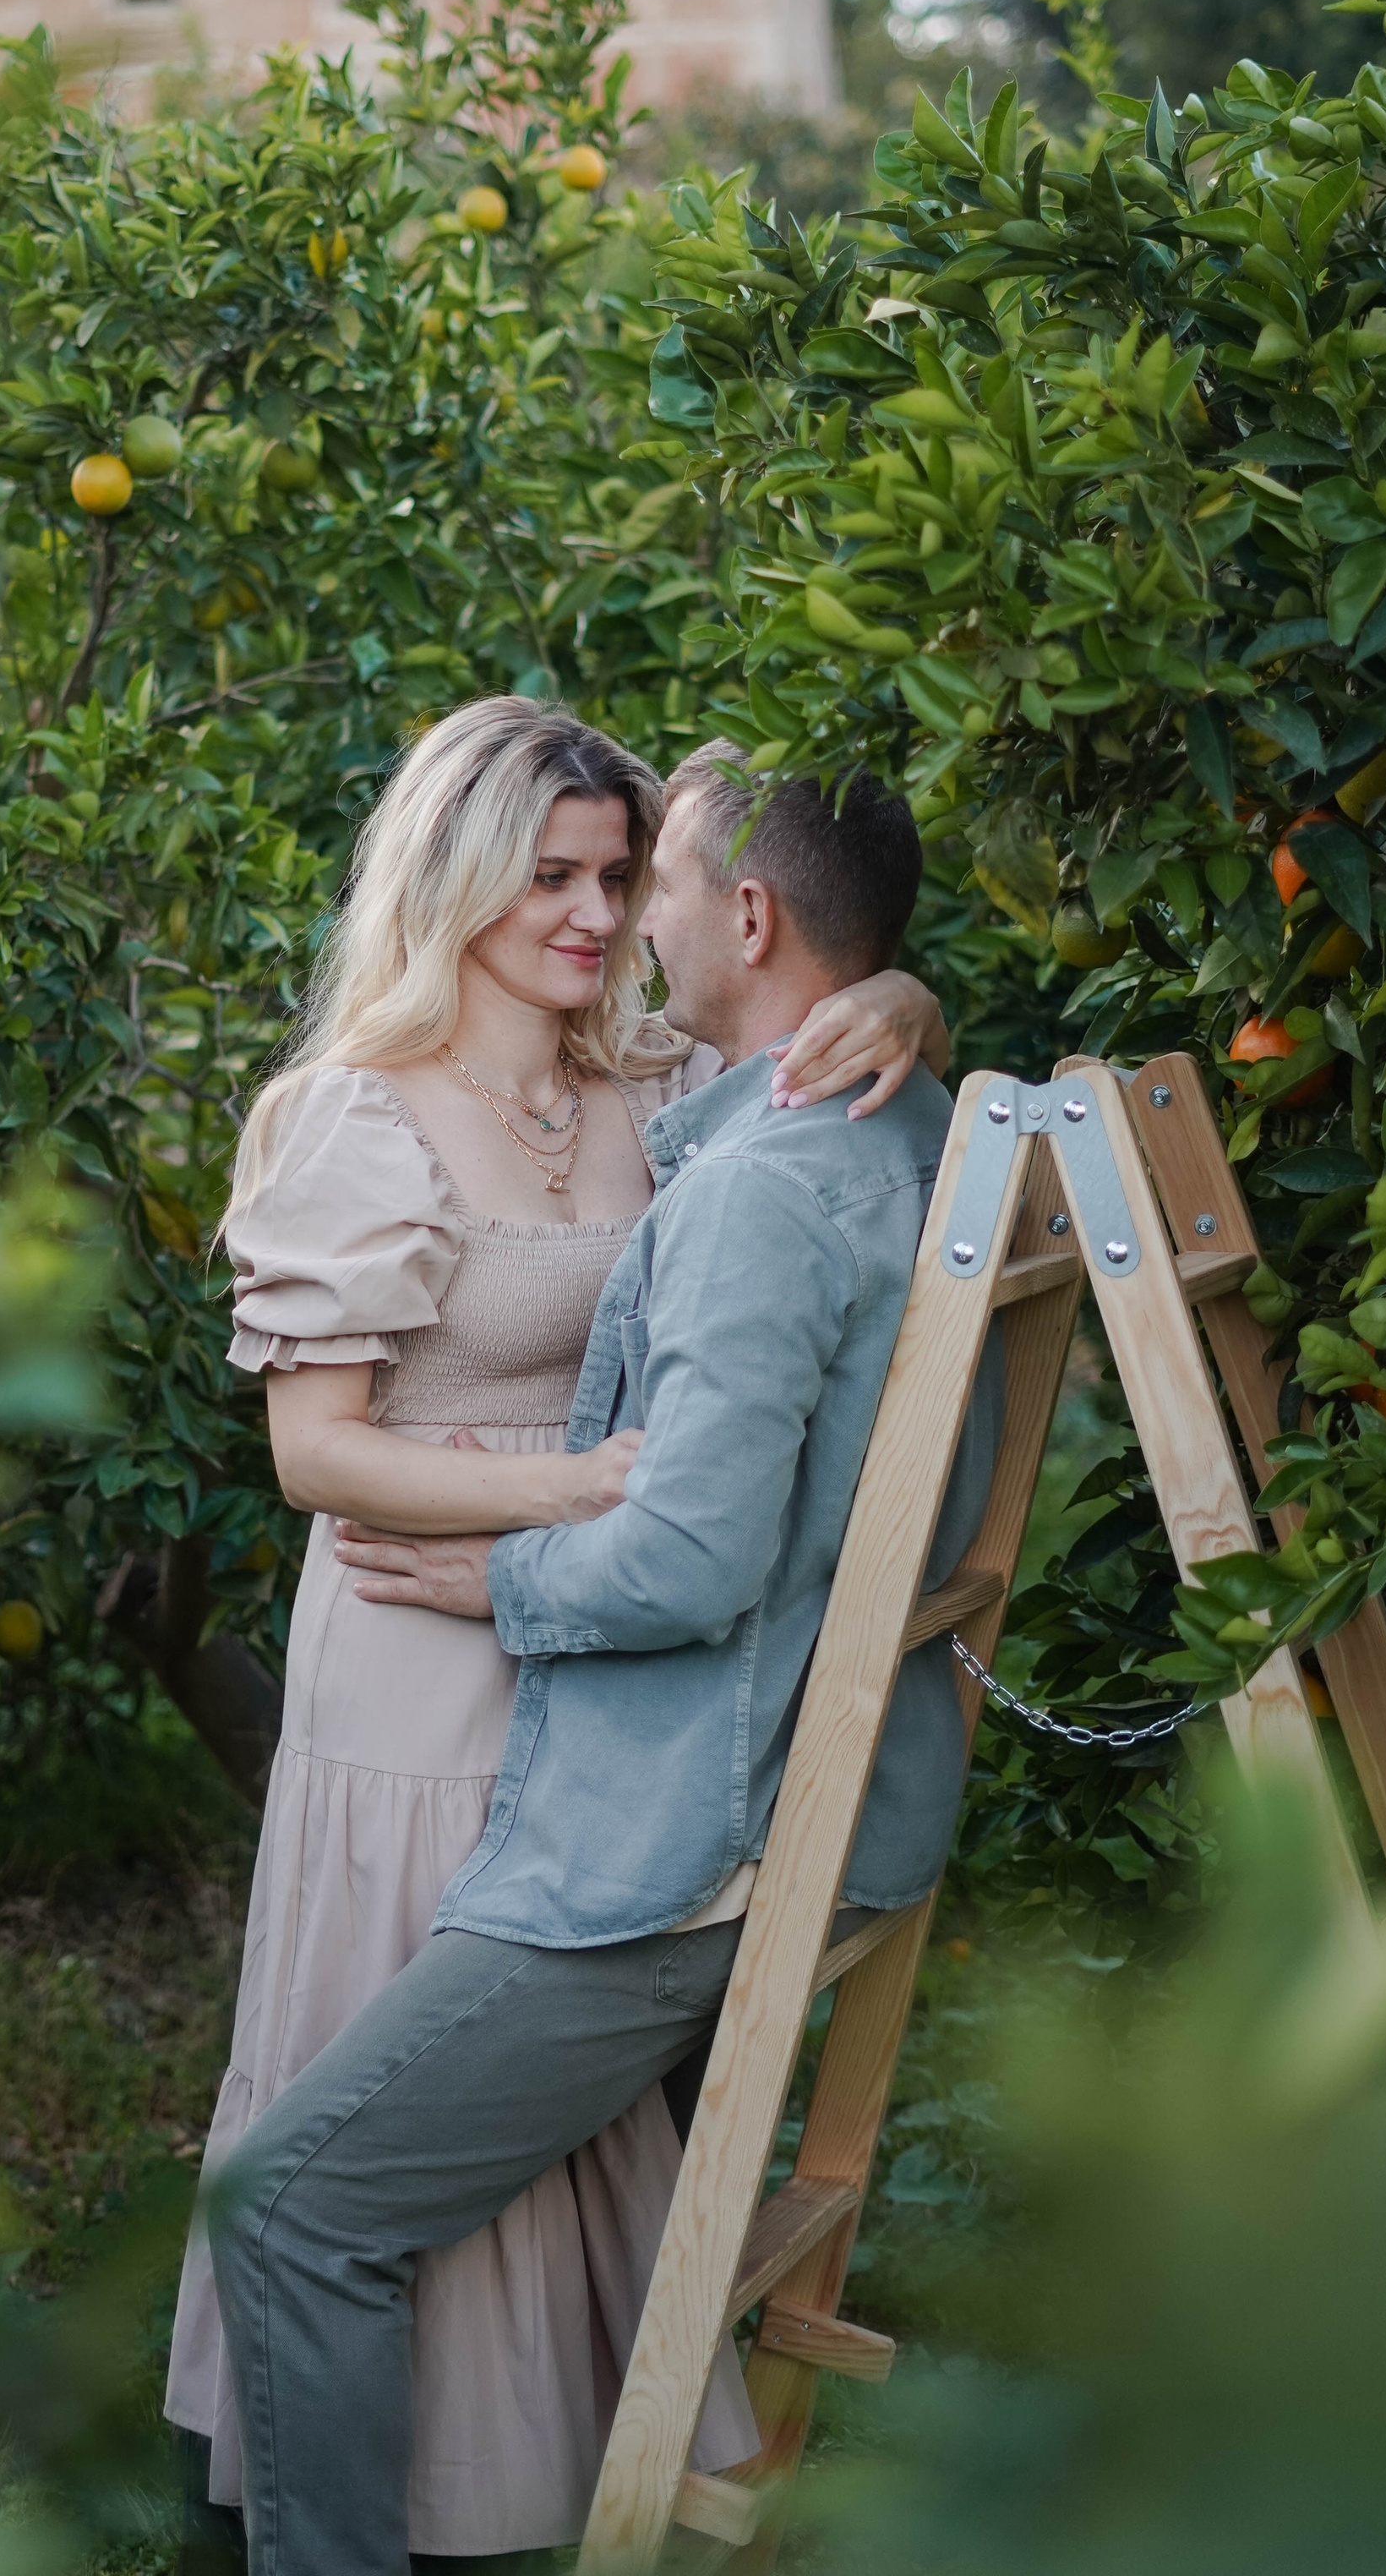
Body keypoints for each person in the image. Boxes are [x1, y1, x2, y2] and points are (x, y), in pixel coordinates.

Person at [203, 735, 1003, 2576]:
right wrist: (568, 1489)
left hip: (609, 1677)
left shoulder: (650, 1080)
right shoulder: (353, 1112)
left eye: (608, 875)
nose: (585, 915)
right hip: (425, 1647)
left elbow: (801, 1013)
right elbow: (310, 1453)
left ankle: (522, 2499)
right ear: (454, 880)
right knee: (390, 2121)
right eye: (547, 878)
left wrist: (900, 989)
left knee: (535, 2148)